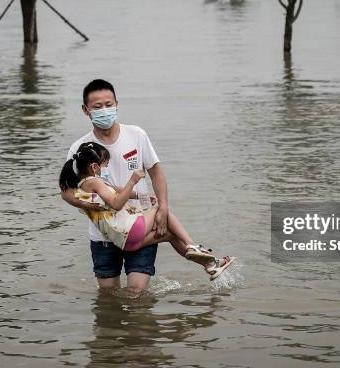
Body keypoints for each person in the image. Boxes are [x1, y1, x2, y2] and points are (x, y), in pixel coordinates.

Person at [59, 142, 235, 280]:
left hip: (124, 241)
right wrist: (133, 180)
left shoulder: (82, 187)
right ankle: (192, 245)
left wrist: (139, 195)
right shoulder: (96, 182)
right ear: (94, 167)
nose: (107, 168)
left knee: (170, 234)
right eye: (105, 164)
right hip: (130, 232)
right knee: (161, 210)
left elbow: (118, 191)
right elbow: (116, 204)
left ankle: (211, 265)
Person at [59, 79, 167, 294]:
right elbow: (67, 192)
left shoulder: (136, 134)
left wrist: (163, 207)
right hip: (103, 235)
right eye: (97, 107)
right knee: (108, 296)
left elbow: (157, 173)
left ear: (117, 103)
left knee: (136, 294)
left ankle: (197, 252)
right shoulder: (79, 149)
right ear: (85, 110)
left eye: (109, 104)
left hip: (138, 224)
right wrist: (93, 204)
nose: (105, 110)